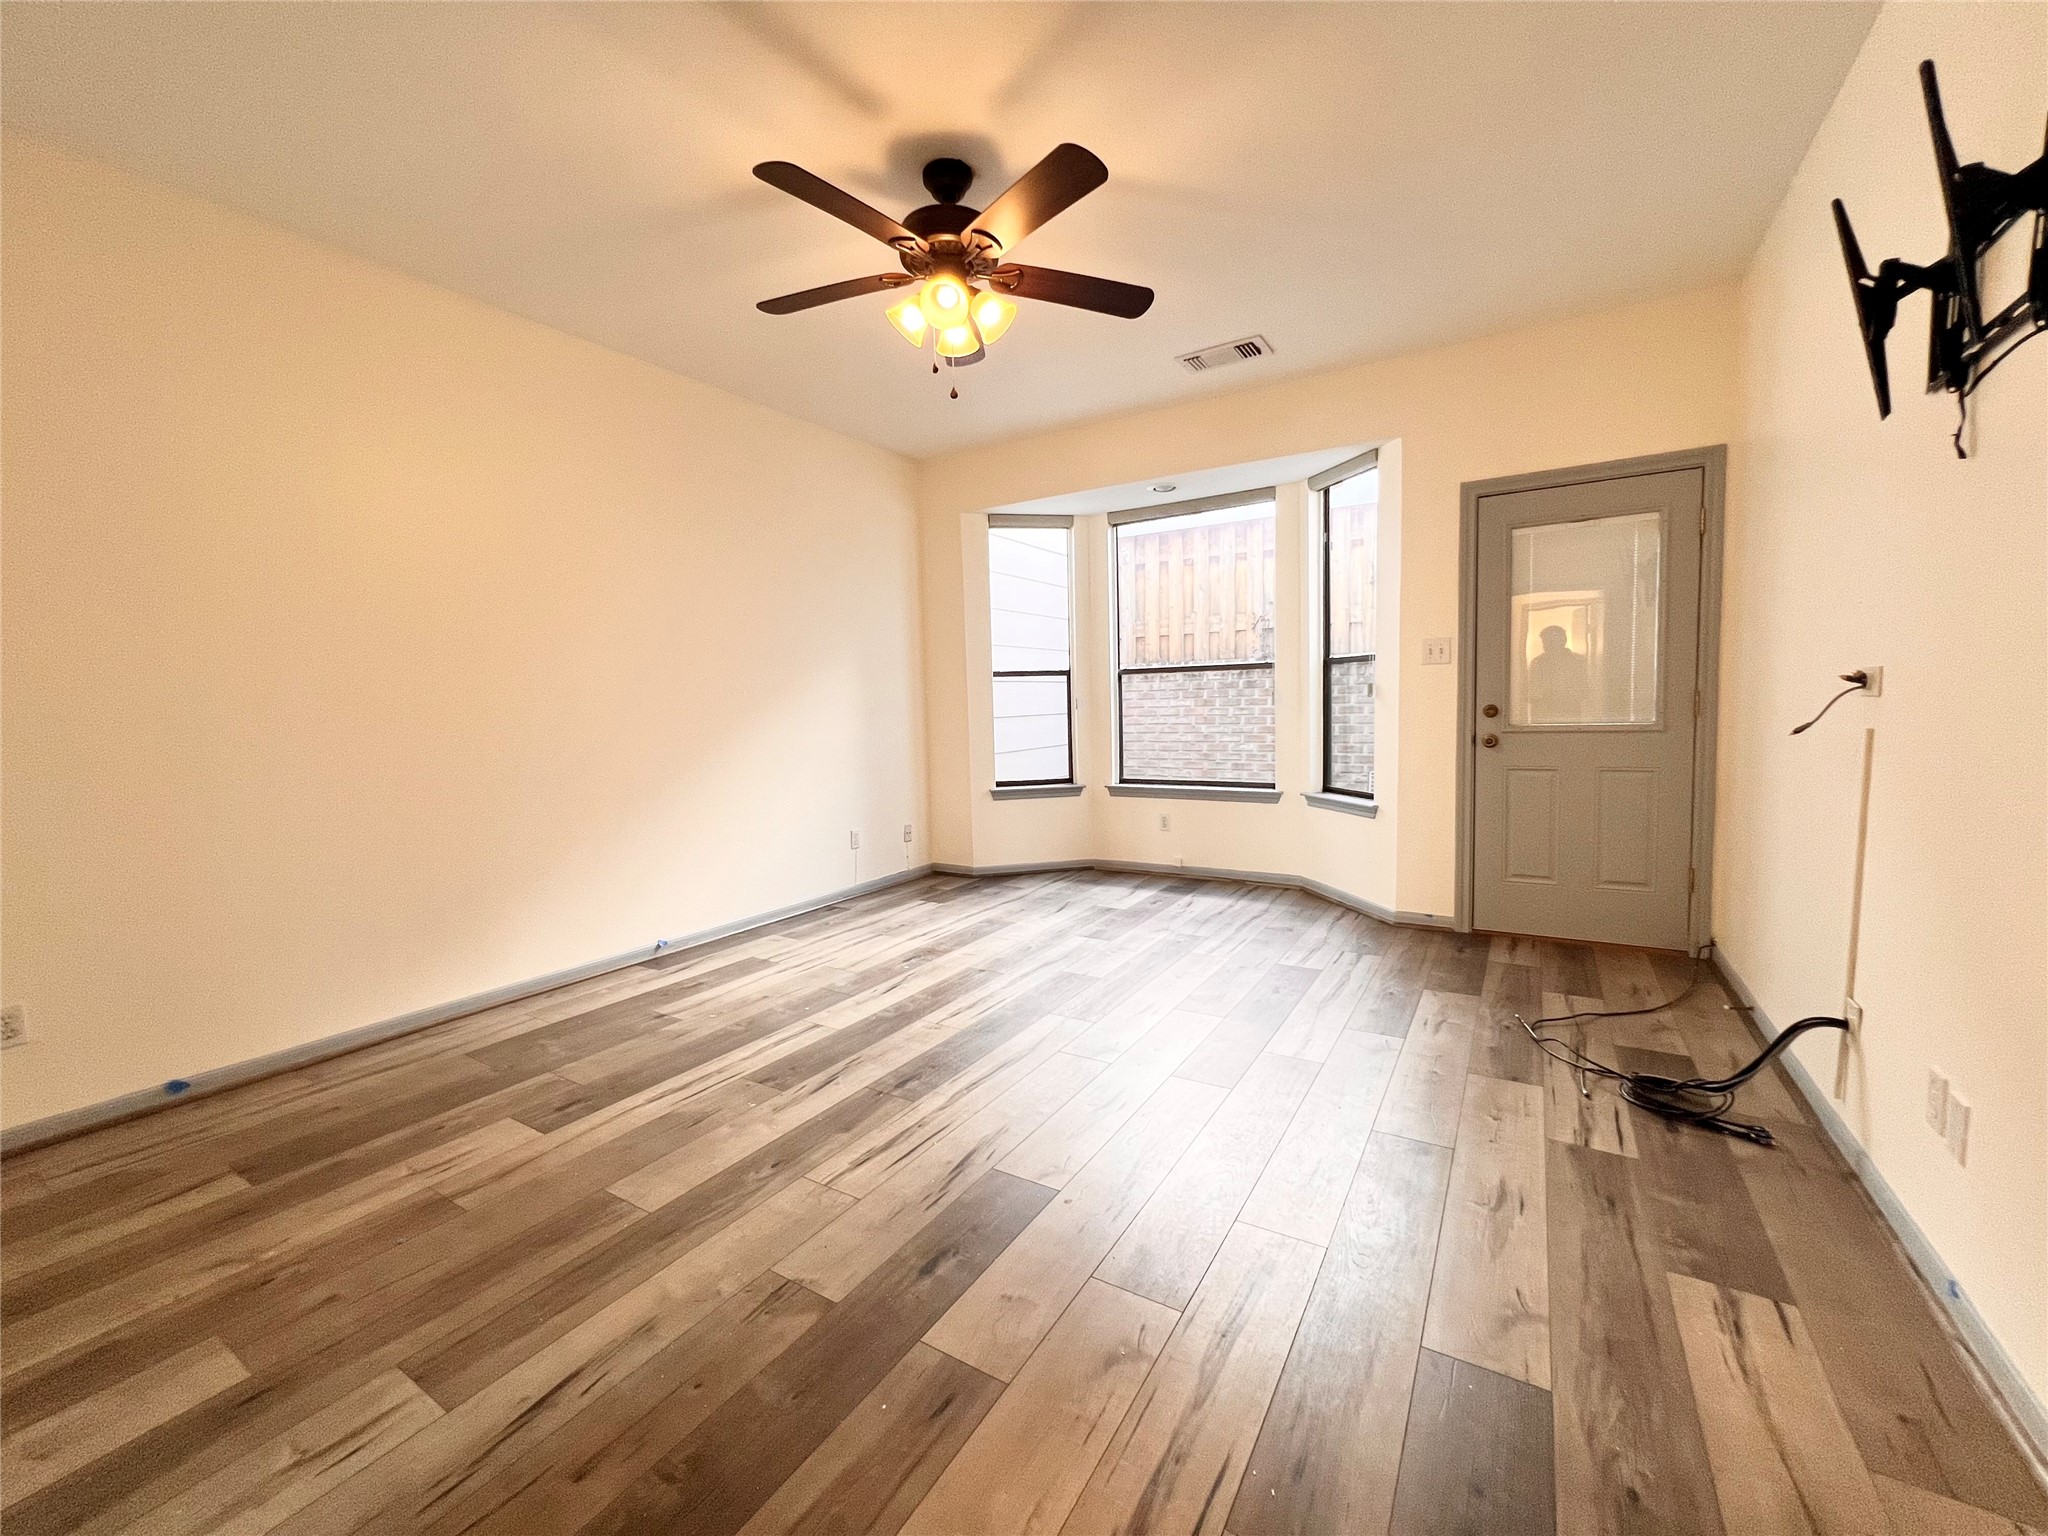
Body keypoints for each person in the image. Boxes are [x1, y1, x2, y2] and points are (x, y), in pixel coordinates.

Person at [1526, 624, 1591, 721]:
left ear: (1563, 641)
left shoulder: (1578, 662)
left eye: (1553, 641)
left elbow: (1583, 690)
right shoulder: (1537, 663)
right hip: (1542, 714)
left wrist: (1565, 697)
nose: (1549, 645)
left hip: (1569, 713)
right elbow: (1530, 690)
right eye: (1546, 642)